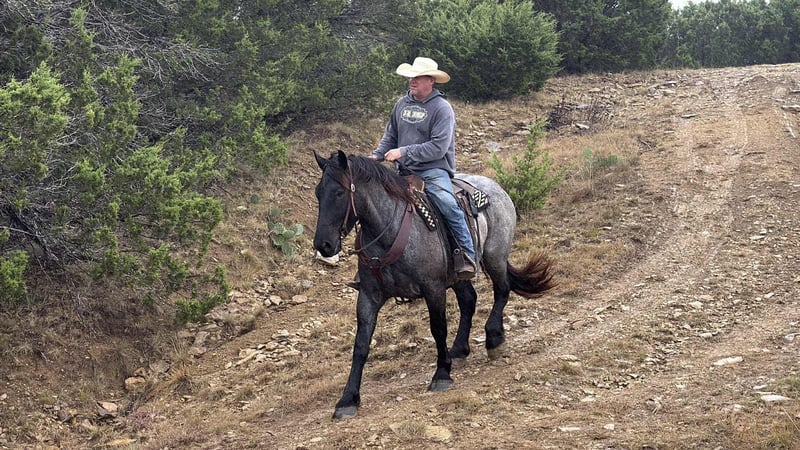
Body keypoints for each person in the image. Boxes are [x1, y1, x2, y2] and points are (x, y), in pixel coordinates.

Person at [368, 56, 476, 281]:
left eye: (418, 77)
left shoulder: (442, 108)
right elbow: (391, 135)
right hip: (402, 171)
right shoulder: (401, 104)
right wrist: (377, 155)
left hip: (433, 170)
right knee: (374, 204)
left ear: (431, 81)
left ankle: (466, 255)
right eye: (411, 77)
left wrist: (403, 152)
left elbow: (438, 148)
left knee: (448, 204)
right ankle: (370, 265)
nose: (412, 81)